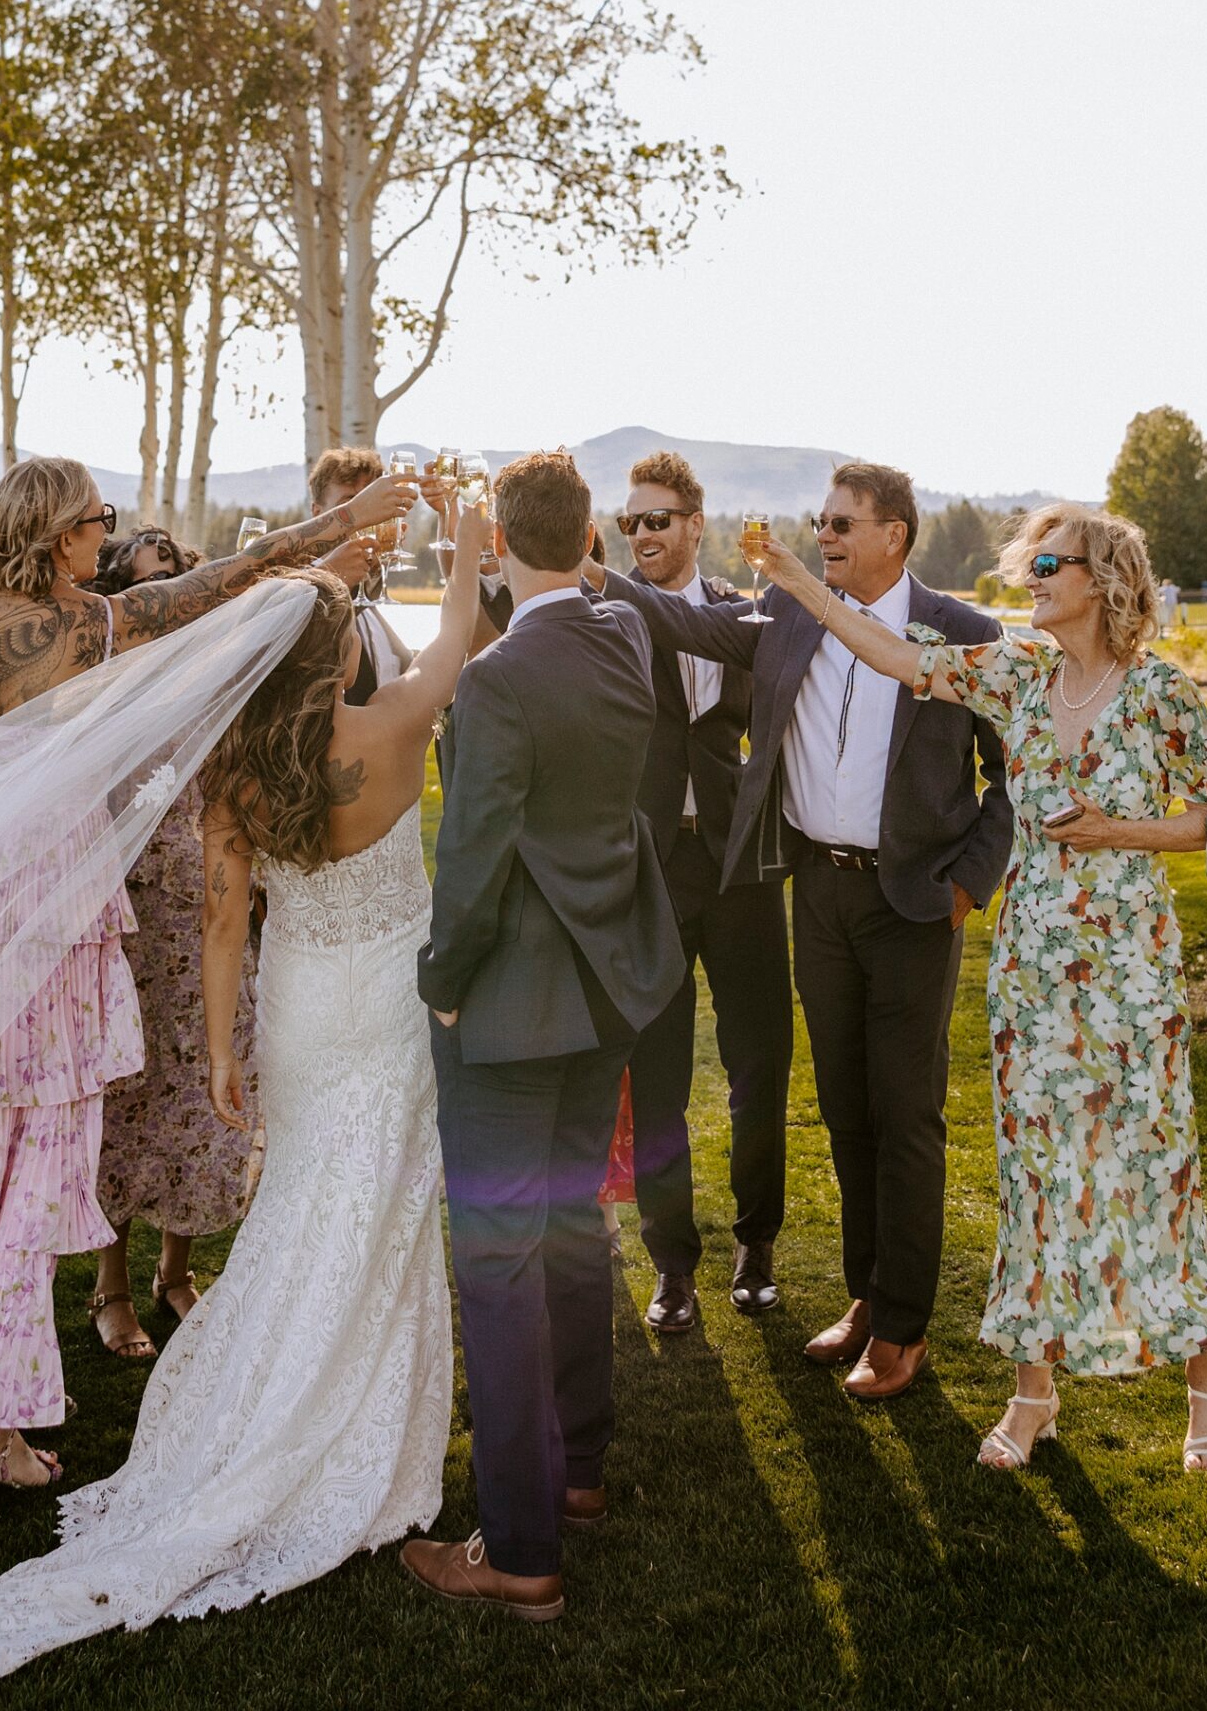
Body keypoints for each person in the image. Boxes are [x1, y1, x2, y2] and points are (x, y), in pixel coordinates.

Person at [0, 453, 416, 1506]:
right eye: (95, 522)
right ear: (61, 536)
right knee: (25, 1169)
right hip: (49, 926)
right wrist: (339, 525)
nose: (103, 537)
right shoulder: (103, 628)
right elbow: (232, 578)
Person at [0, 516, 490, 1684]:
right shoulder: (394, 727)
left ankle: (268, 1404)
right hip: (386, 1004)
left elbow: (226, 924)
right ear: (341, 657)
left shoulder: (234, 772)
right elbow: (459, 638)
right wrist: (467, 545)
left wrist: (224, 1049)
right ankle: (355, 1424)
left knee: (306, 1201)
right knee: (378, 1207)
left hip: (295, 1007)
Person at [756, 504, 1207, 1474]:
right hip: (1032, 970)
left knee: (1153, 1169)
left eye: (1047, 566)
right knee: (1033, 1176)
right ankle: (1034, 1394)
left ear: (1103, 580)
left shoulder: (1158, 692)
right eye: (1026, 565)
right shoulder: (1017, 674)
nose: (1028, 580)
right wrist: (798, 580)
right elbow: (893, 655)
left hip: (1130, 974)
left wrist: (1116, 830)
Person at [589, 464, 1012, 1401]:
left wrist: (967, 885)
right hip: (816, 895)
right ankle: (866, 1300)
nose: (822, 534)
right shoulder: (786, 615)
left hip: (913, 905)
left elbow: (1012, 774)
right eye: (819, 521)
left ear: (894, 534)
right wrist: (566, 554)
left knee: (906, 1117)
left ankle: (903, 1330)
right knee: (848, 1111)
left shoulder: (964, 633)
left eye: (841, 523)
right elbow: (680, 620)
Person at [402, 451, 687, 1624]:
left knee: (501, 1264)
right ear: (588, 539)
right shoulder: (622, 637)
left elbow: (470, 859)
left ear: (508, 545)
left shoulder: (499, 678)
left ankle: (517, 1547)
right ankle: (578, 1472)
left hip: (514, 1006)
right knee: (575, 1227)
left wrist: (442, 979)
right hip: (608, 990)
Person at [611, 449, 792, 1334]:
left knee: (760, 1064)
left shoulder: (742, 614)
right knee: (658, 1075)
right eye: (627, 522)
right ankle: (671, 1263)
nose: (640, 534)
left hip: (741, 863)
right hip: (649, 867)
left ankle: (758, 1245)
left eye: (656, 519)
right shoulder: (605, 611)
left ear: (694, 524)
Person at [85, 526, 263, 1360]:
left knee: (204, 1096)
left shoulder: (218, 682)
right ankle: (109, 1286)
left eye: (172, 580)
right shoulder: (99, 690)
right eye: (143, 583)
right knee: (126, 1102)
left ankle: (175, 1271)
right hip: (128, 924)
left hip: (214, 916)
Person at [308, 447, 414, 703]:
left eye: (370, 504)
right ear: (317, 514)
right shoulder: (300, 600)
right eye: (349, 506)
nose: (366, 517)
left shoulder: (372, 604)